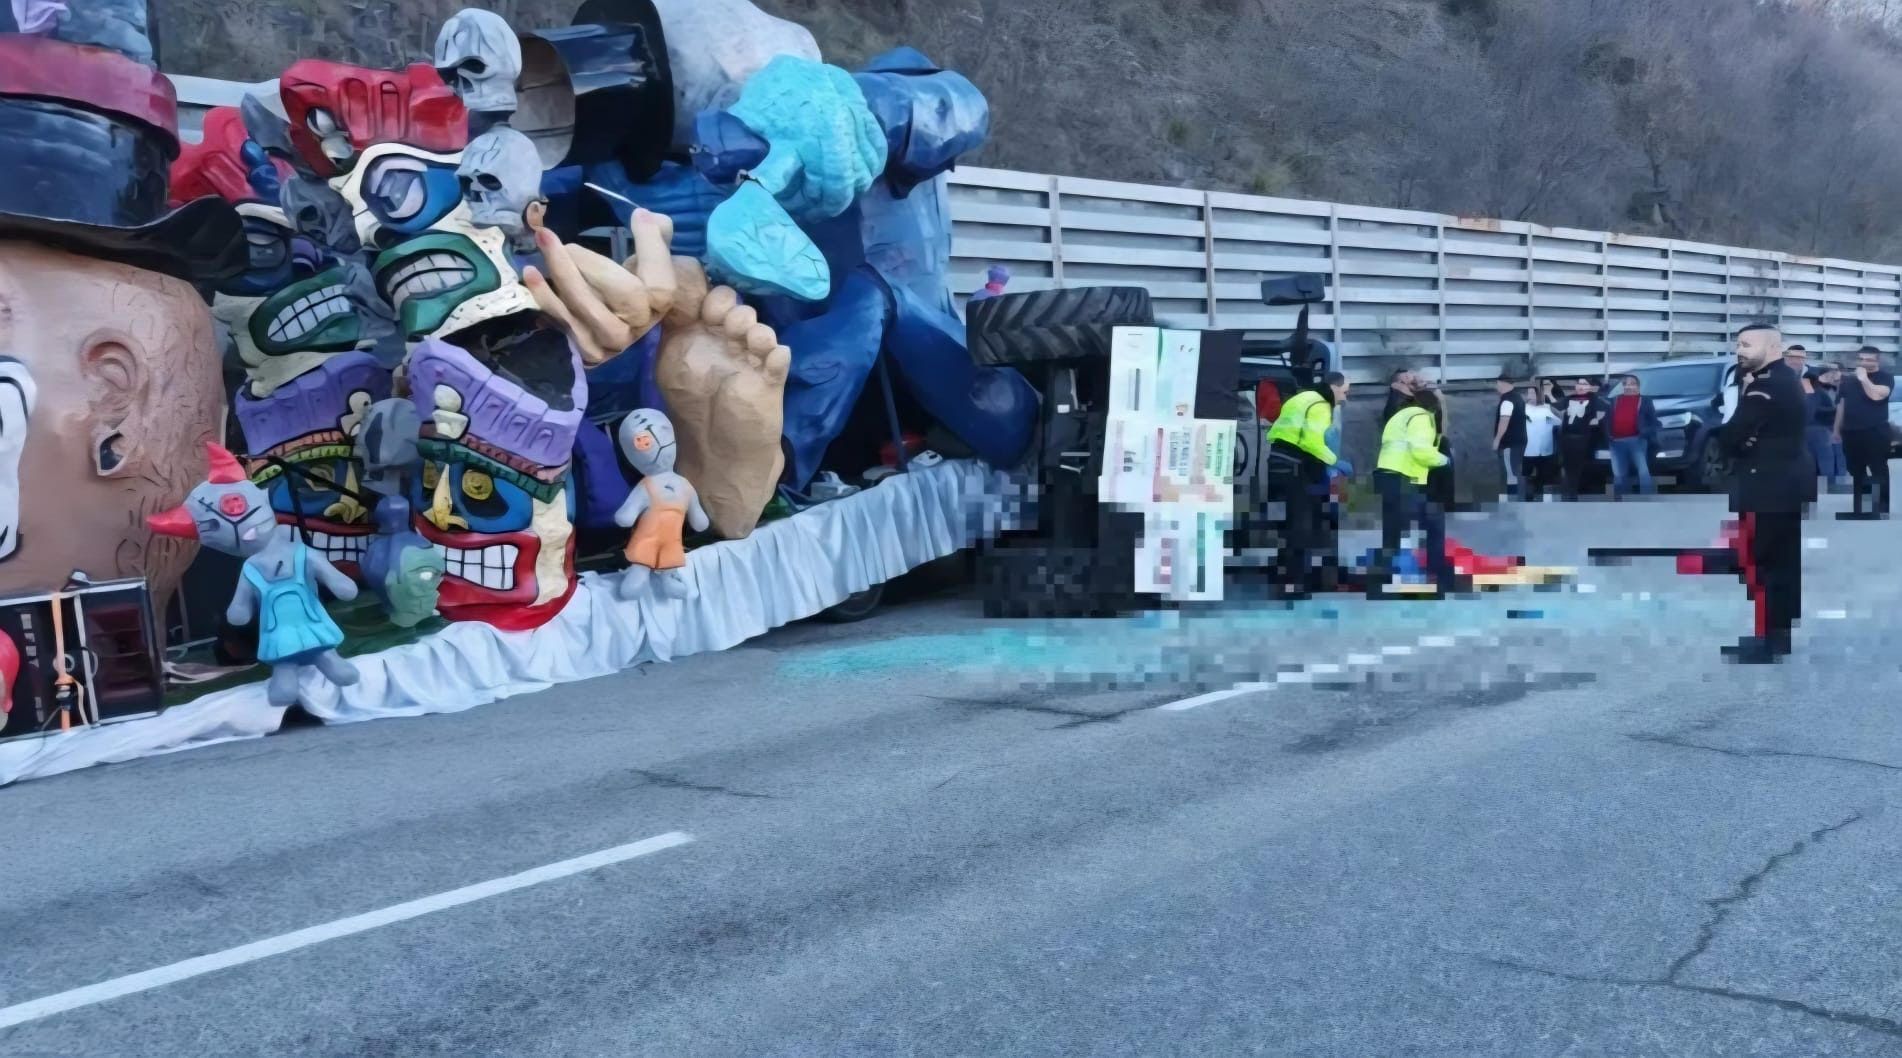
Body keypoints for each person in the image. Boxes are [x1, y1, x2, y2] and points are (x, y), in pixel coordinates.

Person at [1722, 323, 1813, 663]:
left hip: (1768, 485)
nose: (1740, 351)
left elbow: (1731, 435)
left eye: (1747, 344)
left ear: (1773, 348)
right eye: (1738, 344)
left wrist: (1739, 439)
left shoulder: (1766, 386)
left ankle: (1770, 641)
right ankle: (1778, 635)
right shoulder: (1786, 379)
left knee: (1766, 563)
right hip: (1785, 482)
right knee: (1783, 562)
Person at [1264, 372, 1350, 598]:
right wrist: (1335, 462)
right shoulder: (1320, 404)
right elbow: (1312, 441)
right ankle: (1294, 585)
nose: (1345, 398)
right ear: (1333, 386)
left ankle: (1288, 579)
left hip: (1277, 462)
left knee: (1291, 524)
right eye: (1344, 392)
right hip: (1295, 467)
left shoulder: (1300, 398)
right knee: (1301, 526)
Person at [1370, 388, 1457, 596]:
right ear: (1432, 407)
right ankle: (1432, 575)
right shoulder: (1422, 417)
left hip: (1386, 475)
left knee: (1392, 531)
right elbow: (1420, 450)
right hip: (1404, 478)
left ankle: (1386, 578)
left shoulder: (1400, 416)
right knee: (1431, 524)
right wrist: (1444, 460)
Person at [1831, 346, 1893, 518]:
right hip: (1851, 432)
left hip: (1875, 431)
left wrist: (1864, 379)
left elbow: (1876, 395)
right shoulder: (1848, 381)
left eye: (1869, 360)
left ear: (1877, 361)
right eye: (1862, 359)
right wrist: (1836, 430)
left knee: (1878, 470)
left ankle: (1881, 508)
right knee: (1856, 472)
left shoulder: (1885, 377)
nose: (1865, 363)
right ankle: (1863, 508)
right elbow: (1841, 405)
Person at [1605, 373, 1660, 497]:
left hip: (1636, 441)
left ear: (1638, 387)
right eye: (1626, 384)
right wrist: (1608, 435)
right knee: (1619, 474)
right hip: (1616, 442)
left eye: (1632, 384)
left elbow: (1655, 422)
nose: (1629, 387)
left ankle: (1647, 499)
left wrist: (1643, 433)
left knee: (1643, 472)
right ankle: (1621, 502)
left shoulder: (1645, 400)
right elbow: (1607, 419)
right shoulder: (1615, 400)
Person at [1558, 377, 1607, 500]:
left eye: (1584, 384)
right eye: (1578, 384)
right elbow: (1556, 409)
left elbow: (1603, 412)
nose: (1580, 386)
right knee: (1569, 468)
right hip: (1567, 439)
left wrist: (1596, 420)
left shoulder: (1595, 400)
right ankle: (1570, 494)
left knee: (1581, 468)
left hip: (1585, 440)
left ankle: (1579, 494)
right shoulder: (1569, 399)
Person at [1804, 365, 1845, 492]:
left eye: (1834, 374)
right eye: (1828, 375)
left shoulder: (1833, 389)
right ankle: (1831, 488)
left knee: (1834, 461)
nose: (1832, 377)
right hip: (1820, 430)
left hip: (1829, 430)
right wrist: (1835, 411)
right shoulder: (1815, 391)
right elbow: (1810, 410)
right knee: (1827, 462)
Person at [1491, 371, 1529, 500]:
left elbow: (1504, 421)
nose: (1496, 387)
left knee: (1511, 474)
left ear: (1502, 383)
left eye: (1497, 384)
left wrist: (1497, 440)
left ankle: (1514, 503)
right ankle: (1518, 500)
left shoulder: (1507, 401)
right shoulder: (1518, 398)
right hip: (1519, 442)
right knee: (1516, 472)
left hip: (1509, 443)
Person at [1522, 384, 1561, 500]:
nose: (1531, 395)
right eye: (1528, 393)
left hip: (1545, 448)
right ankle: (1528, 498)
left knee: (1545, 476)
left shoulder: (1547, 407)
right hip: (1528, 448)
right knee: (1526, 475)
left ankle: (1544, 498)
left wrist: (1548, 421)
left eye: (1533, 393)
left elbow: (1559, 421)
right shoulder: (1522, 408)